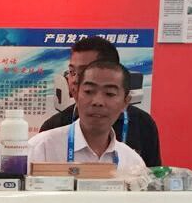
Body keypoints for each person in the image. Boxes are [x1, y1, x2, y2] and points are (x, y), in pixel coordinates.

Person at [40, 35, 162, 167]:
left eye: (84, 71)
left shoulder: (142, 125)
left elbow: (152, 175)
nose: (75, 80)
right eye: (71, 72)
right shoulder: (51, 130)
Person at [28, 61, 148, 173]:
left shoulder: (132, 162)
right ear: (76, 95)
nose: (97, 101)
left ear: (125, 103)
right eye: (89, 91)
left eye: (109, 93)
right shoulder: (41, 148)